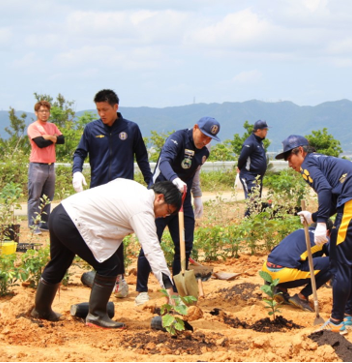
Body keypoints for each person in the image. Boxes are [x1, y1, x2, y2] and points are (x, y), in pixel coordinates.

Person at [29, 179, 182, 329]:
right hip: (74, 222)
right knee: (110, 266)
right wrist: (168, 286)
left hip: (60, 213)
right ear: (159, 198)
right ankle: (96, 315)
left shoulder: (135, 187)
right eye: (167, 211)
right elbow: (152, 249)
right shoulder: (143, 209)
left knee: (59, 263)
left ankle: (41, 310)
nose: (164, 216)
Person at [276, 135, 352, 336]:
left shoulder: (308, 164)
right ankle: (346, 318)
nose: (289, 164)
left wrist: (322, 222)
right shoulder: (324, 162)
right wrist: (314, 216)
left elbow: (323, 189)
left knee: (339, 264)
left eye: (290, 157)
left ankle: (336, 322)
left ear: (301, 151)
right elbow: (332, 199)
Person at [71, 89, 155, 299]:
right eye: (98, 109)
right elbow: (80, 152)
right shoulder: (91, 129)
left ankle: (119, 279)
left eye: (105, 109)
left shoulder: (131, 129)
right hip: (98, 190)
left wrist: (151, 183)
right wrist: (77, 171)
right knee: (96, 232)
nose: (101, 113)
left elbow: (142, 158)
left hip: (121, 191)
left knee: (116, 234)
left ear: (116, 107)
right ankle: (106, 274)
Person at [132, 117, 221, 305]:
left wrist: (197, 196)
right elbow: (164, 161)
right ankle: (141, 289)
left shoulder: (205, 151)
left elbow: (194, 174)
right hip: (161, 198)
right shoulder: (178, 138)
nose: (205, 141)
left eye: (210, 138)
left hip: (182, 199)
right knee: (150, 242)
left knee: (184, 244)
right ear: (195, 128)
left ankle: (176, 288)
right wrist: (174, 179)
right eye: (204, 135)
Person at [261, 219, 333, 313]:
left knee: (294, 259)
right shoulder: (323, 237)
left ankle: (279, 290)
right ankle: (302, 297)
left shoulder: (299, 231)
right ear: (328, 231)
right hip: (285, 274)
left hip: (267, 272)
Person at [27, 100, 64, 234]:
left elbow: (62, 139)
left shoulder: (52, 125)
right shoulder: (33, 127)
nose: (44, 113)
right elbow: (40, 143)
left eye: (46, 111)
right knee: (35, 197)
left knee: (47, 198)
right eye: (41, 111)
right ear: (36, 113)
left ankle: (44, 224)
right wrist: (52, 138)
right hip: (37, 165)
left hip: (50, 166)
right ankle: (33, 225)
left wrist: (49, 137)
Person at [238, 120, 269, 216]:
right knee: (253, 201)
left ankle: (254, 221)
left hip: (257, 177)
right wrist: (239, 168)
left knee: (257, 201)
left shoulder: (260, 142)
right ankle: (247, 221)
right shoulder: (250, 143)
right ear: (259, 130)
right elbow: (242, 158)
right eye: (265, 130)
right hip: (249, 176)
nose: (266, 132)